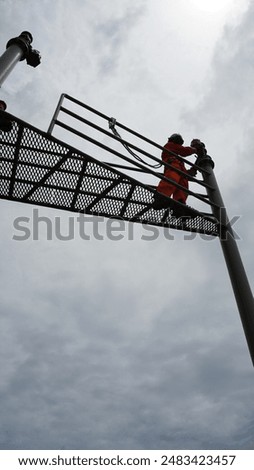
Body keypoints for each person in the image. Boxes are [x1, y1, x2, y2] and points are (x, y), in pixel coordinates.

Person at [153, 133, 199, 210]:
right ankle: (161, 197)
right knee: (171, 180)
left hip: (180, 171)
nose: (179, 145)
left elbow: (182, 153)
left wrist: (191, 171)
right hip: (173, 167)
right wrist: (195, 150)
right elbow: (184, 151)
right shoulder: (170, 145)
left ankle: (179, 205)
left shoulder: (177, 157)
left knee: (182, 187)